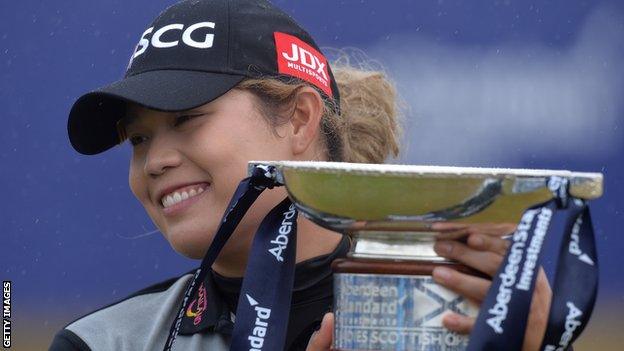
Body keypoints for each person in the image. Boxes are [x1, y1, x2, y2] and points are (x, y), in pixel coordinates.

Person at [50, 0, 554, 350]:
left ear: (299, 119)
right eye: (138, 139)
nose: (155, 160)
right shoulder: (101, 343)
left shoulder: (457, 311)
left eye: (186, 118)